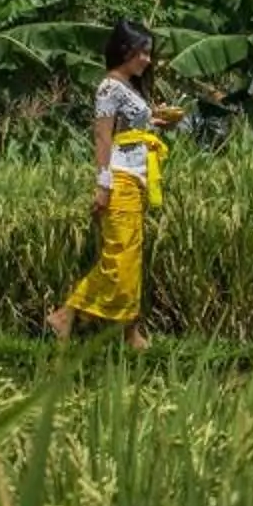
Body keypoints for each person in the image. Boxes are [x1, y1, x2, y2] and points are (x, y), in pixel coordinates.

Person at [47, 19, 175, 349]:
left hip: (137, 180)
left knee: (129, 258)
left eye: (148, 53)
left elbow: (128, 129)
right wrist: (102, 185)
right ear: (124, 50)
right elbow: (103, 137)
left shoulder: (130, 87)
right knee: (118, 260)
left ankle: (130, 332)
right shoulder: (108, 88)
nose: (147, 60)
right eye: (142, 52)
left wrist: (155, 119)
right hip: (119, 179)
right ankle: (66, 314)